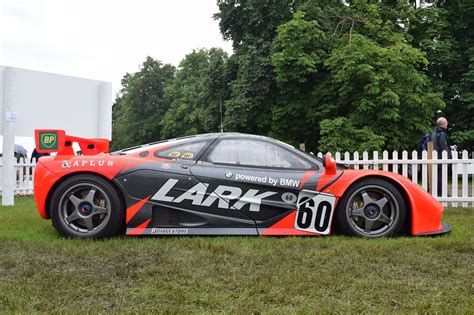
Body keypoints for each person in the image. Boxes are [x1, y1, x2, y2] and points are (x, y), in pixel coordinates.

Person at [431, 117, 452, 195]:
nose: (447, 124)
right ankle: (441, 192)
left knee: (437, 176)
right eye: (446, 123)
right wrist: (449, 158)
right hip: (442, 158)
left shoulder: (434, 133)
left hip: (435, 157)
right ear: (443, 124)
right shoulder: (442, 133)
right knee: (441, 177)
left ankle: (437, 192)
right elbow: (444, 147)